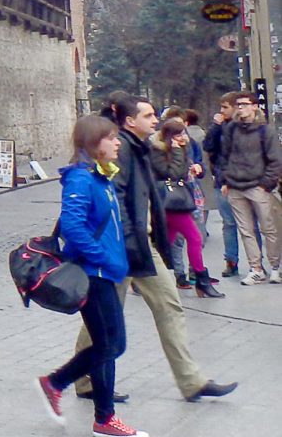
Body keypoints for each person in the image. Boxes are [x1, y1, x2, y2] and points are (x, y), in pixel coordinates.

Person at [73, 92, 236, 403]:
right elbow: (114, 202)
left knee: (169, 306)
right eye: (148, 116)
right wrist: (118, 248)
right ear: (130, 120)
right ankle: (83, 379)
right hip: (120, 248)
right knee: (105, 319)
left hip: (143, 245)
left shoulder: (141, 148)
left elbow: (168, 178)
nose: (155, 120)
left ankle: (191, 381)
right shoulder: (117, 149)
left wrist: (178, 151)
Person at [35, 115, 147, 437]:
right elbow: (73, 227)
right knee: (112, 345)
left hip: (104, 272)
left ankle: (103, 417)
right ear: (93, 143)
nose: (117, 143)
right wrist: (104, 258)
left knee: (107, 345)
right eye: (111, 138)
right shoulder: (82, 180)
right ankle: (58, 385)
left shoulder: (100, 177)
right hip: (93, 275)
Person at [148, 119, 223, 298]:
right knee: (195, 238)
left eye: (184, 133)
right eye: (179, 134)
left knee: (169, 240)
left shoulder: (184, 148)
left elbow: (184, 172)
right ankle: (201, 280)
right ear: (169, 136)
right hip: (169, 201)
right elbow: (171, 174)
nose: (184, 138)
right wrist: (176, 151)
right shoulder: (157, 150)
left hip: (182, 198)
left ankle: (150, 276)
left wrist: (195, 167)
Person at [217, 91, 282, 285]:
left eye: (245, 104)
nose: (241, 108)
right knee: (246, 230)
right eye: (238, 105)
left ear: (255, 106)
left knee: (268, 228)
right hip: (236, 185)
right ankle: (256, 268)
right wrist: (225, 180)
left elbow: (275, 160)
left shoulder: (265, 131)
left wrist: (266, 184)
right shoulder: (231, 129)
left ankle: (275, 267)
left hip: (258, 185)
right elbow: (224, 155)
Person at [203, 92, 262, 277]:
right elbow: (209, 146)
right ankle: (231, 260)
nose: (221, 111)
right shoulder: (221, 127)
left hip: (248, 181)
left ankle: (257, 263)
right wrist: (215, 126)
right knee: (229, 223)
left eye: (225, 107)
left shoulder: (250, 127)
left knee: (252, 225)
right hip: (224, 181)